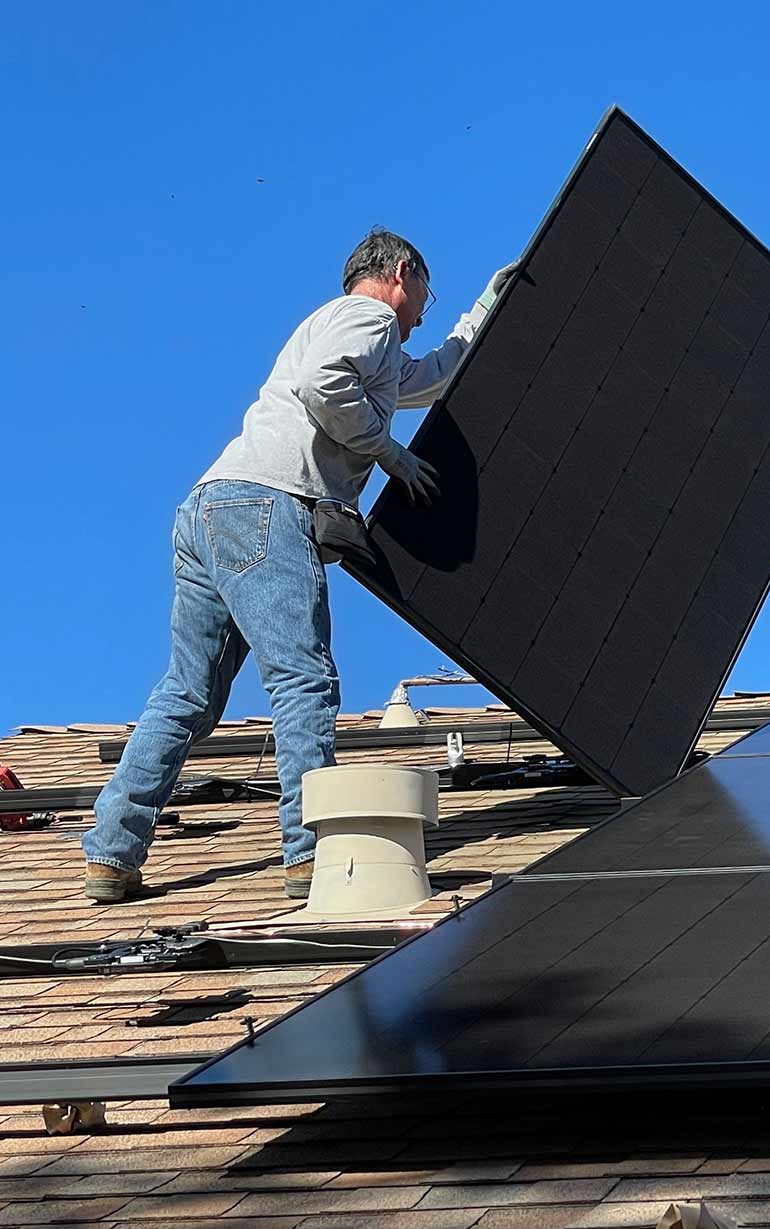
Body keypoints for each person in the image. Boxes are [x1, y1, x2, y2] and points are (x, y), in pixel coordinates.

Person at [82, 228, 517, 903]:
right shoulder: (368, 317)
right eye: (428, 292)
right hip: (267, 506)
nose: (427, 308)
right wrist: (389, 455)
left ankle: (111, 851)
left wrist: (488, 307)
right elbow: (324, 387)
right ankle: (310, 855)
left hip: (209, 509)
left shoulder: (348, 332)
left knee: (187, 695)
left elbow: (430, 378)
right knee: (303, 678)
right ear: (402, 273)